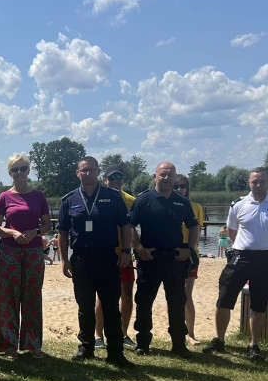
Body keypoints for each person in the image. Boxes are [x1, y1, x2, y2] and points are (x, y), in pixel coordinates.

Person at [203, 167, 268, 360]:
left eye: (262, 181)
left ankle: (253, 345)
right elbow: (231, 231)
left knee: (260, 304)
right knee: (224, 299)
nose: (259, 185)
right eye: (255, 181)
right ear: (249, 183)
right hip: (240, 257)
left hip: (265, 260)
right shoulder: (238, 204)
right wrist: (243, 246)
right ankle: (219, 339)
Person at [57, 156, 133, 365]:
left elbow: (126, 225)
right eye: (84, 170)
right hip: (81, 259)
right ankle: (86, 348)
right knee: (85, 306)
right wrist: (64, 260)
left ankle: (116, 352)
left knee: (110, 306)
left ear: (98, 172)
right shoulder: (69, 199)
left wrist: (126, 250)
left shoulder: (112, 197)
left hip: (108, 258)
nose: (88, 173)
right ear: (77, 173)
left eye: (91, 170)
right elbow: (62, 232)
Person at [128, 162, 199, 356]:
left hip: (175, 260)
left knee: (177, 302)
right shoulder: (143, 200)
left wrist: (189, 250)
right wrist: (138, 248)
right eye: (163, 174)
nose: (167, 178)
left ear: (175, 177)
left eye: (171, 175)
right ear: (155, 176)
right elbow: (130, 225)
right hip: (149, 259)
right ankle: (142, 343)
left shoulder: (182, 201)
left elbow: (194, 226)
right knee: (143, 302)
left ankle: (179, 344)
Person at [0, 153, 50, 357]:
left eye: (23, 168)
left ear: (28, 170)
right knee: (8, 298)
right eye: (15, 169)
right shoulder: (4, 197)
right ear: (10, 173)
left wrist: (35, 232)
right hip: (9, 252)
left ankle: (33, 344)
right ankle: (9, 345)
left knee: (32, 296)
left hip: (33, 251)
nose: (19, 173)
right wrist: (12, 232)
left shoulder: (38, 196)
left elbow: (47, 225)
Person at [95, 168, 137, 349]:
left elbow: (133, 228)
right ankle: (99, 336)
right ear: (105, 180)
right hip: (106, 254)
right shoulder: (99, 196)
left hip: (126, 254)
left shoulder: (131, 200)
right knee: (102, 298)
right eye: (112, 177)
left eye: (120, 177)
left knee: (127, 296)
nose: (116, 180)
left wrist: (134, 250)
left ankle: (123, 333)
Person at [174, 174, 205, 345]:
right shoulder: (168, 205)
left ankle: (190, 333)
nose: (180, 189)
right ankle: (176, 329)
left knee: (186, 295)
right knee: (174, 294)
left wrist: (189, 250)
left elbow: (197, 232)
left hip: (190, 254)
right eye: (176, 186)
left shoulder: (196, 207)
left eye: (183, 186)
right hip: (171, 253)